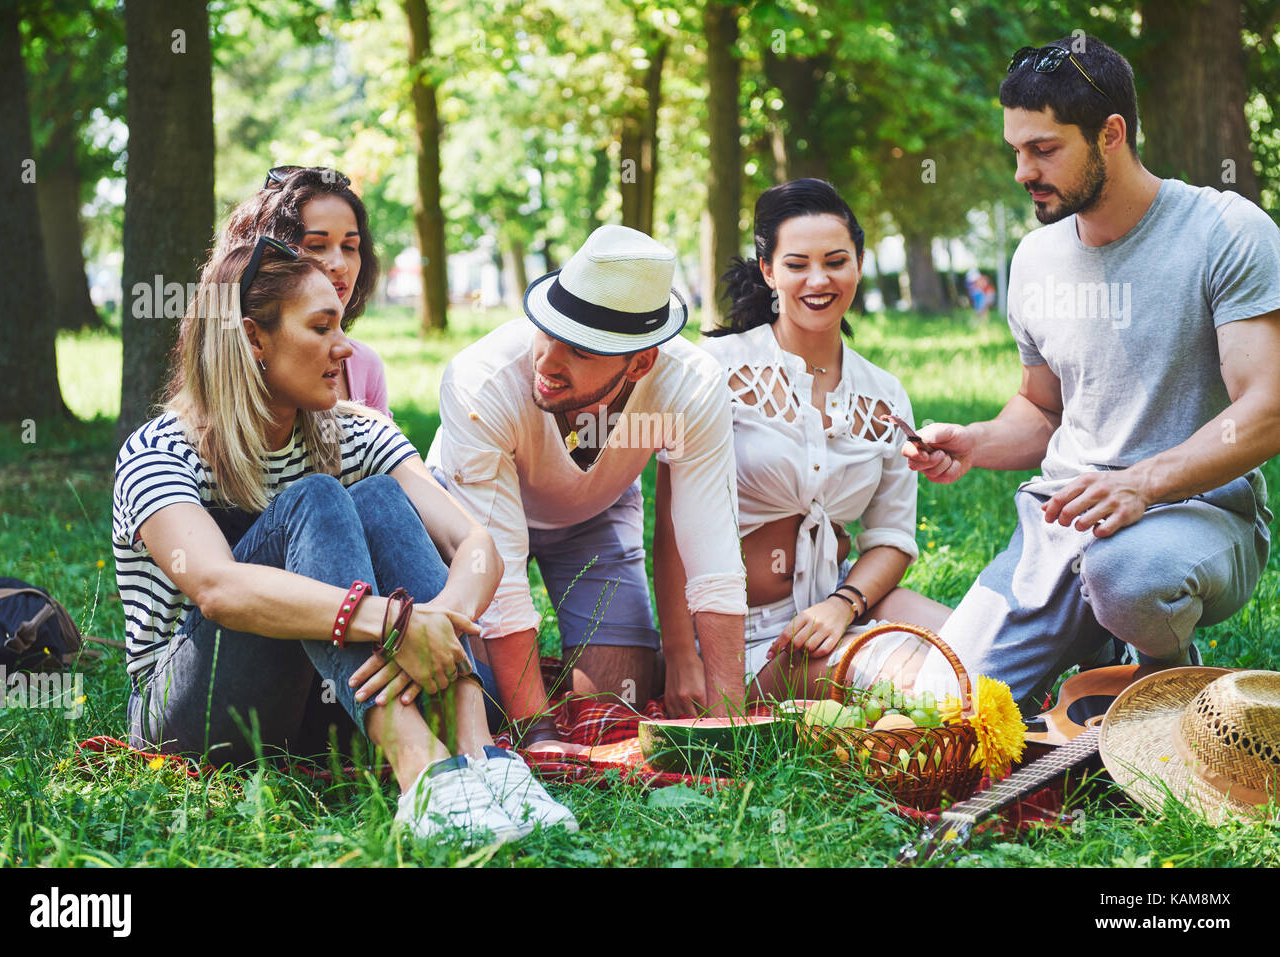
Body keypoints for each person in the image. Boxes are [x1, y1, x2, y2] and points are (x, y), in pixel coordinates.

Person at [113, 236, 575, 843]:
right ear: (254, 339)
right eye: (322, 326)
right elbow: (217, 588)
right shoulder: (161, 452)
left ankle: (481, 756)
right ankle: (423, 771)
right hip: (194, 714)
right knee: (318, 498)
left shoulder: (355, 432)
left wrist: (433, 619)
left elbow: (476, 544)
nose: (345, 346)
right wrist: (392, 620)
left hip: (324, 702)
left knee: (381, 497)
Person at [902, 37, 1280, 708]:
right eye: (1015, 150)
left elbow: (1266, 409)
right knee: (942, 709)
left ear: (1112, 134)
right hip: (1063, 524)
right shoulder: (1035, 258)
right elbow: (1042, 409)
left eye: (1043, 149)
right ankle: (1096, 644)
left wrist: (1142, 485)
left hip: (1196, 515)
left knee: (1128, 575)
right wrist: (976, 441)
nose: (1022, 172)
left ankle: (1164, 676)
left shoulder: (1226, 231)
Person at [426, 224, 748, 744]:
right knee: (480, 699)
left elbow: (712, 550)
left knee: (612, 701)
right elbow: (499, 576)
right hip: (467, 529)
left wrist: (728, 717)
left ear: (641, 362)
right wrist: (539, 734)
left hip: (594, 514)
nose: (548, 363)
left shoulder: (692, 385)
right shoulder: (480, 381)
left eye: (581, 350)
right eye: (547, 331)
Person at [656, 178, 949, 701]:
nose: (819, 279)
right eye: (797, 265)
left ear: (858, 262)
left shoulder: (885, 396)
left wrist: (843, 605)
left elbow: (891, 537)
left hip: (834, 607)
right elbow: (672, 528)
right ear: (769, 270)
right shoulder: (712, 372)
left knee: (983, 649)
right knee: (918, 686)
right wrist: (680, 655)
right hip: (738, 639)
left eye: (836, 261)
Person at [218, 165, 391, 418]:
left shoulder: (364, 364)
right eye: (317, 245)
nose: (340, 264)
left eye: (350, 246)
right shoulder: (226, 367)